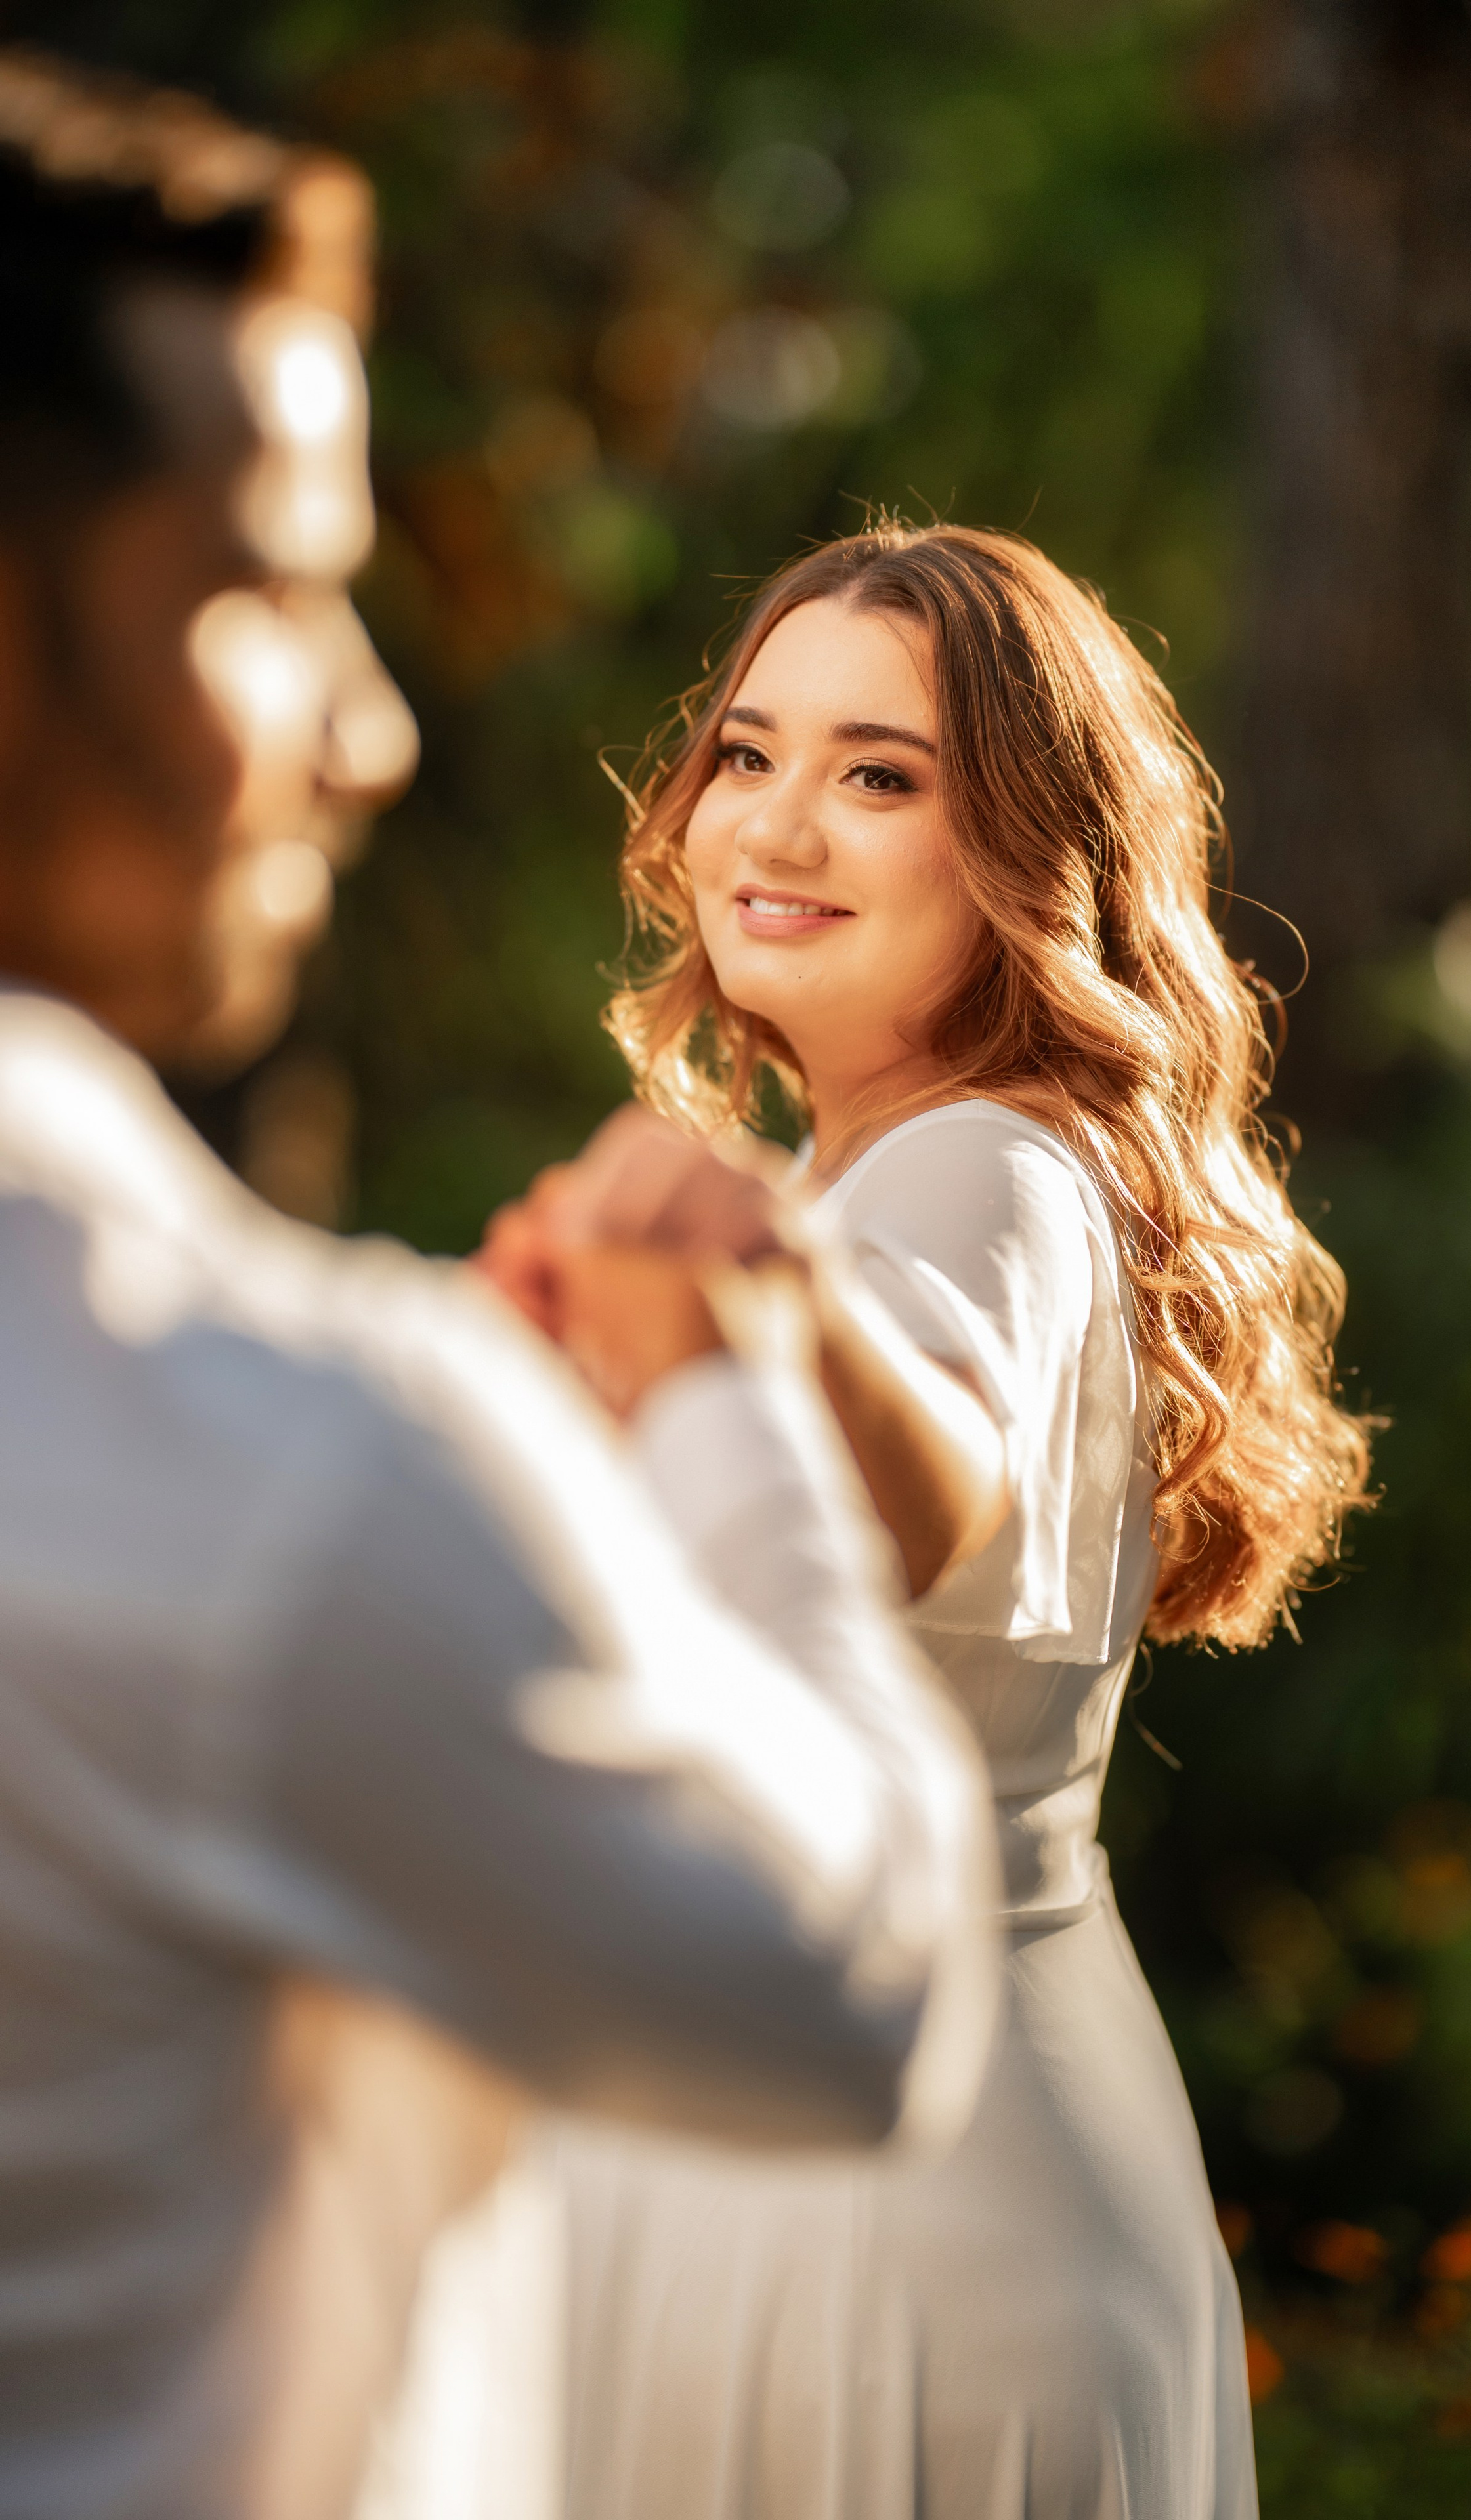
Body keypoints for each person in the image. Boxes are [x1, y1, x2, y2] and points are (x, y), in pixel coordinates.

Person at [0, 60, 1000, 2520]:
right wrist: (721, 1399)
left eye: (880, 773)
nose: (373, 729)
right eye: (269, 586)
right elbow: (849, 1985)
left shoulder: (994, 1191)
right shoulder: (281, 1453)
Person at [452, 521, 1375, 2520]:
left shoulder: (983, 1176)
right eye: (749, 755)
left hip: (895, 2215)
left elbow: (908, 1476)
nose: (777, 824)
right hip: (862, 2161)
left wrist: (740, 1317)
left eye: (883, 776)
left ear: (1029, 858)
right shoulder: (867, 1181)